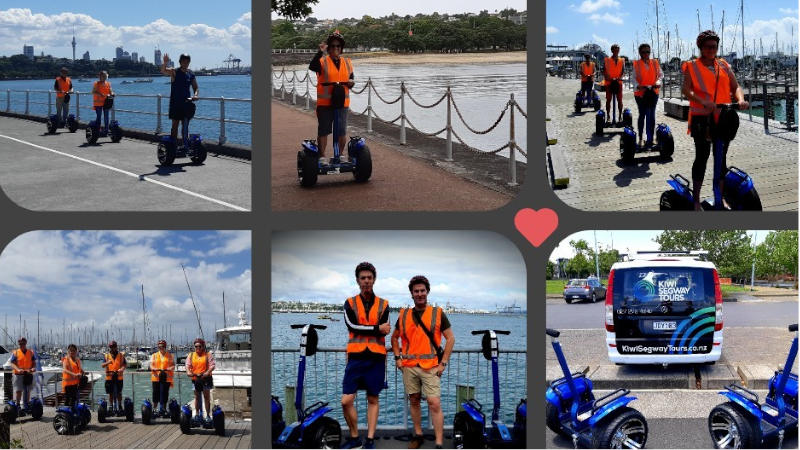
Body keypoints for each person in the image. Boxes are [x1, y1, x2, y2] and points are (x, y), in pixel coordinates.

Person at [681, 30, 748, 210]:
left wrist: (740, 99)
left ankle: (720, 197)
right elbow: (686, 90)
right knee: (702, 157)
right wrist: (703, 101)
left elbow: (736, 86)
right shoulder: (692, 66)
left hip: (723, 117)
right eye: (708, 46)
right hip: (701, 119)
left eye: (715, 46)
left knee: (721, 160)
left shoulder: (724, 65)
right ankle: (696, 200)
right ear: (701, 47)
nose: (712, 49)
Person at [391, 276, 455, 449]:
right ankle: (418, 435)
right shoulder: (404, 314)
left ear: (427, 292)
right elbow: (394, 338)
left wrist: (443, 363)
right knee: (414, 400)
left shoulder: (437, 312)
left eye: (422, 291)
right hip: (410, 367)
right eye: (416, 291)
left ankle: (439, 441)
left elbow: (450, 339)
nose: (419, 294)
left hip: (432, 367)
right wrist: (398, 358)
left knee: (434, 403)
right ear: (411, 294)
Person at [340, 262, 390, 449]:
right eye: (363, 278)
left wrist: (376, 330)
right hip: (355, 357)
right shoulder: (349, 303)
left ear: (374, 280)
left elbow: (386, 331)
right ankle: (354, 437)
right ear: (357, 280)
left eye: (369, 277)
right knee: (346, 400)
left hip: (376, 358)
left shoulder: (384, 304)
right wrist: (376, 328)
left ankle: (369, 440)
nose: (366, 281)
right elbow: (352, 326)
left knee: (373, 399)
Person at [310, 31, 354, 161]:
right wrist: (320, 51)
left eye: (338, 46)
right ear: (329, 48)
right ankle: (322, 156)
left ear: (341, 48)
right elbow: (312, 66)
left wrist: (351, 83)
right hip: (325, 104)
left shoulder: (347, 62)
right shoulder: (322, 61)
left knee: (341, 131)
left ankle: (340, 155)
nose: (336, 48)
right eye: (333, 46)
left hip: (342, 103)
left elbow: (351, 79)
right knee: (323, 130)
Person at [161, 53, 199, 149]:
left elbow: (195, 87)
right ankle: (172, 145)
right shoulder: (175, 72)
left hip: (187, 103)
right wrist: (165, 63)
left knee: (185, 125)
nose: (185, 63)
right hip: (176, 103)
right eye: (184, 61)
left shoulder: (191, 73)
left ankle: (185, 145)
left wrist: (195, 95)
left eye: (187, 62)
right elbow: (164, 71)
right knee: (175, 125)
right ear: (180, 62)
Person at [633, 44, 663, 147]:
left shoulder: (655, 63)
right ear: (640, 53)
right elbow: (634, 78)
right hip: (641, 93)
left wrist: (658, 83)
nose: (646, 54)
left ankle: (651, 138)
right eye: (644, 52)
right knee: (643, 114)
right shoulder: (636, 64)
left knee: (652, 115)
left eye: (648, 52)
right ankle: (641, 138)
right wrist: (638, 86)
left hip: (653, 92)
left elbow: (660, 75)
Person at [186, 338, 215, 423]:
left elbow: (212, 365)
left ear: (203, 346)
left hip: (206, 378)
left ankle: (208, 416)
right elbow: (187, 365)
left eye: (199, 346)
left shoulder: (208, 355)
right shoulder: (191, 355)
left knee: (206, 397)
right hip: (195, 379)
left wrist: (208, 372)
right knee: (197, 397)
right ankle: (197, 415)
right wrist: (188, 372)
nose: (197, 348)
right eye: (196, 346)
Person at [150, 339, 175, 417]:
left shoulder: (170, 355)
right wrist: (153, 368)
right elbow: (151, 365)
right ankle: (155, 409)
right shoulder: (154, 355)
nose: (161, 348)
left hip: (166, 377)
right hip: (156, 377)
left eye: (163, 346)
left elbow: (173, 365)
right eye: (159, 347)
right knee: (155, 393)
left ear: (165, 347)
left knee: (165, 393)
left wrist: (170, 368)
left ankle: (163, 409)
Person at [9, 337, 36, 407]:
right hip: (19, 374)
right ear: (19, 344)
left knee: (28, 390)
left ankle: (27, 404)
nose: (22, 345)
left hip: (28, 374)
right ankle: (18, 404)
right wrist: (17, 369)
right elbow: (12, 363)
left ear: (26, 343)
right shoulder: (16, 352)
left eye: (23, 343)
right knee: (19, 390)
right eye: (20, 344)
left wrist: (33, 368)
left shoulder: (30, 352)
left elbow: (34, 362)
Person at [101, 341, 126, 413]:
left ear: (116, 347)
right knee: (110, 393)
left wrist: (122, 369)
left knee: (119, 393)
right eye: (111, 347)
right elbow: (102, 365)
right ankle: (111, 405)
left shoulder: (121, 355)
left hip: (119, 377)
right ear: (110, 347)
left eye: (114, 346)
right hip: (109, 377)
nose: (113, 348)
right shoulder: (106, 356)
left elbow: (124, 364)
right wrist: (108, 362)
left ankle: (120, 405)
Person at [603, 44, 625, 123]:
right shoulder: (607, 60)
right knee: (608, 100)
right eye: (614, 49)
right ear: (612, 50)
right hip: (609, 82)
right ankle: (608, 116)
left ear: (619, 50)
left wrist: (620, 77)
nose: (616, 51)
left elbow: (623, 71)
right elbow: (604, 71)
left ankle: (620, 116)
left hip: (618, 82)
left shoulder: (622, 60)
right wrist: (608, 77)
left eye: (617, 49)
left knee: (620, 100)